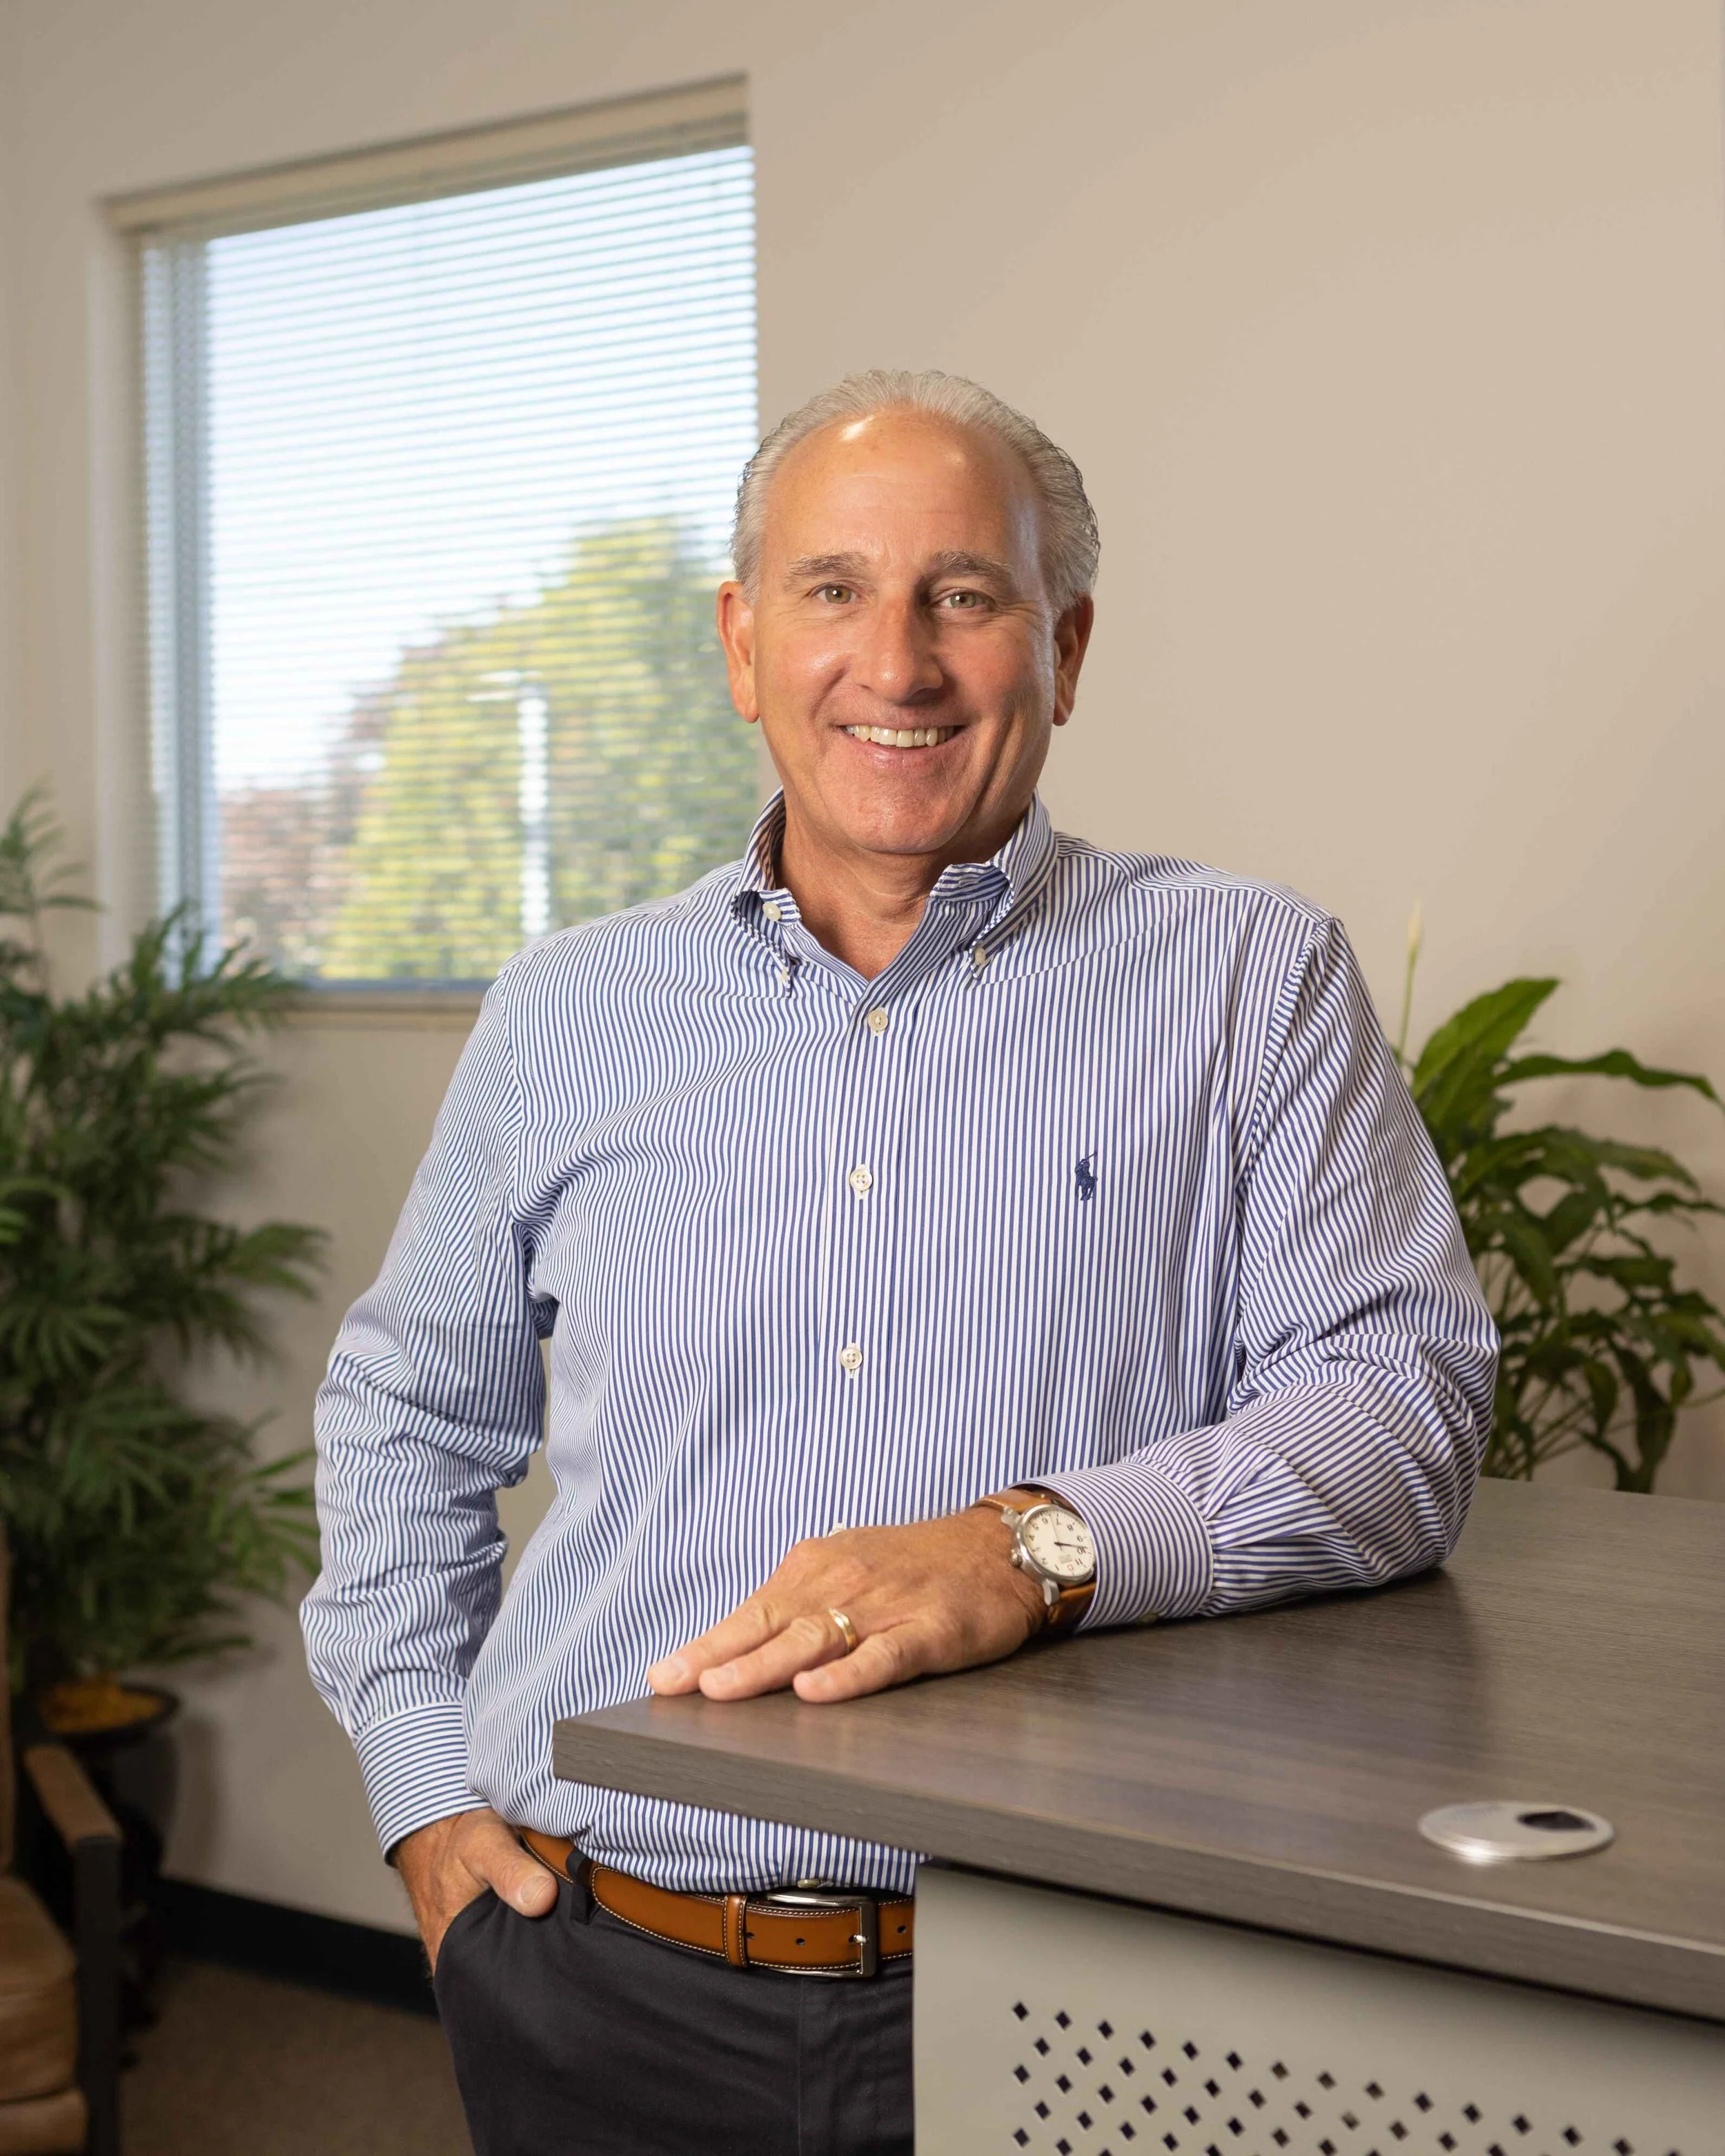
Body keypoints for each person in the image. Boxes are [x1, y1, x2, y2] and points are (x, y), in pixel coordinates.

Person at [302, 368, 1497, 2155]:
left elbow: (1400, 1415)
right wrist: (423, 1802)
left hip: (1092, 2000)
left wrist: (1028, 1549)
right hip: (600, 1975)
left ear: (1064, 648)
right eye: (832, 590)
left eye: (964, 594)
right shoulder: (566, 1011)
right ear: (742, 643)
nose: (896, 663)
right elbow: (404, 1415)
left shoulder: (1252, 980)